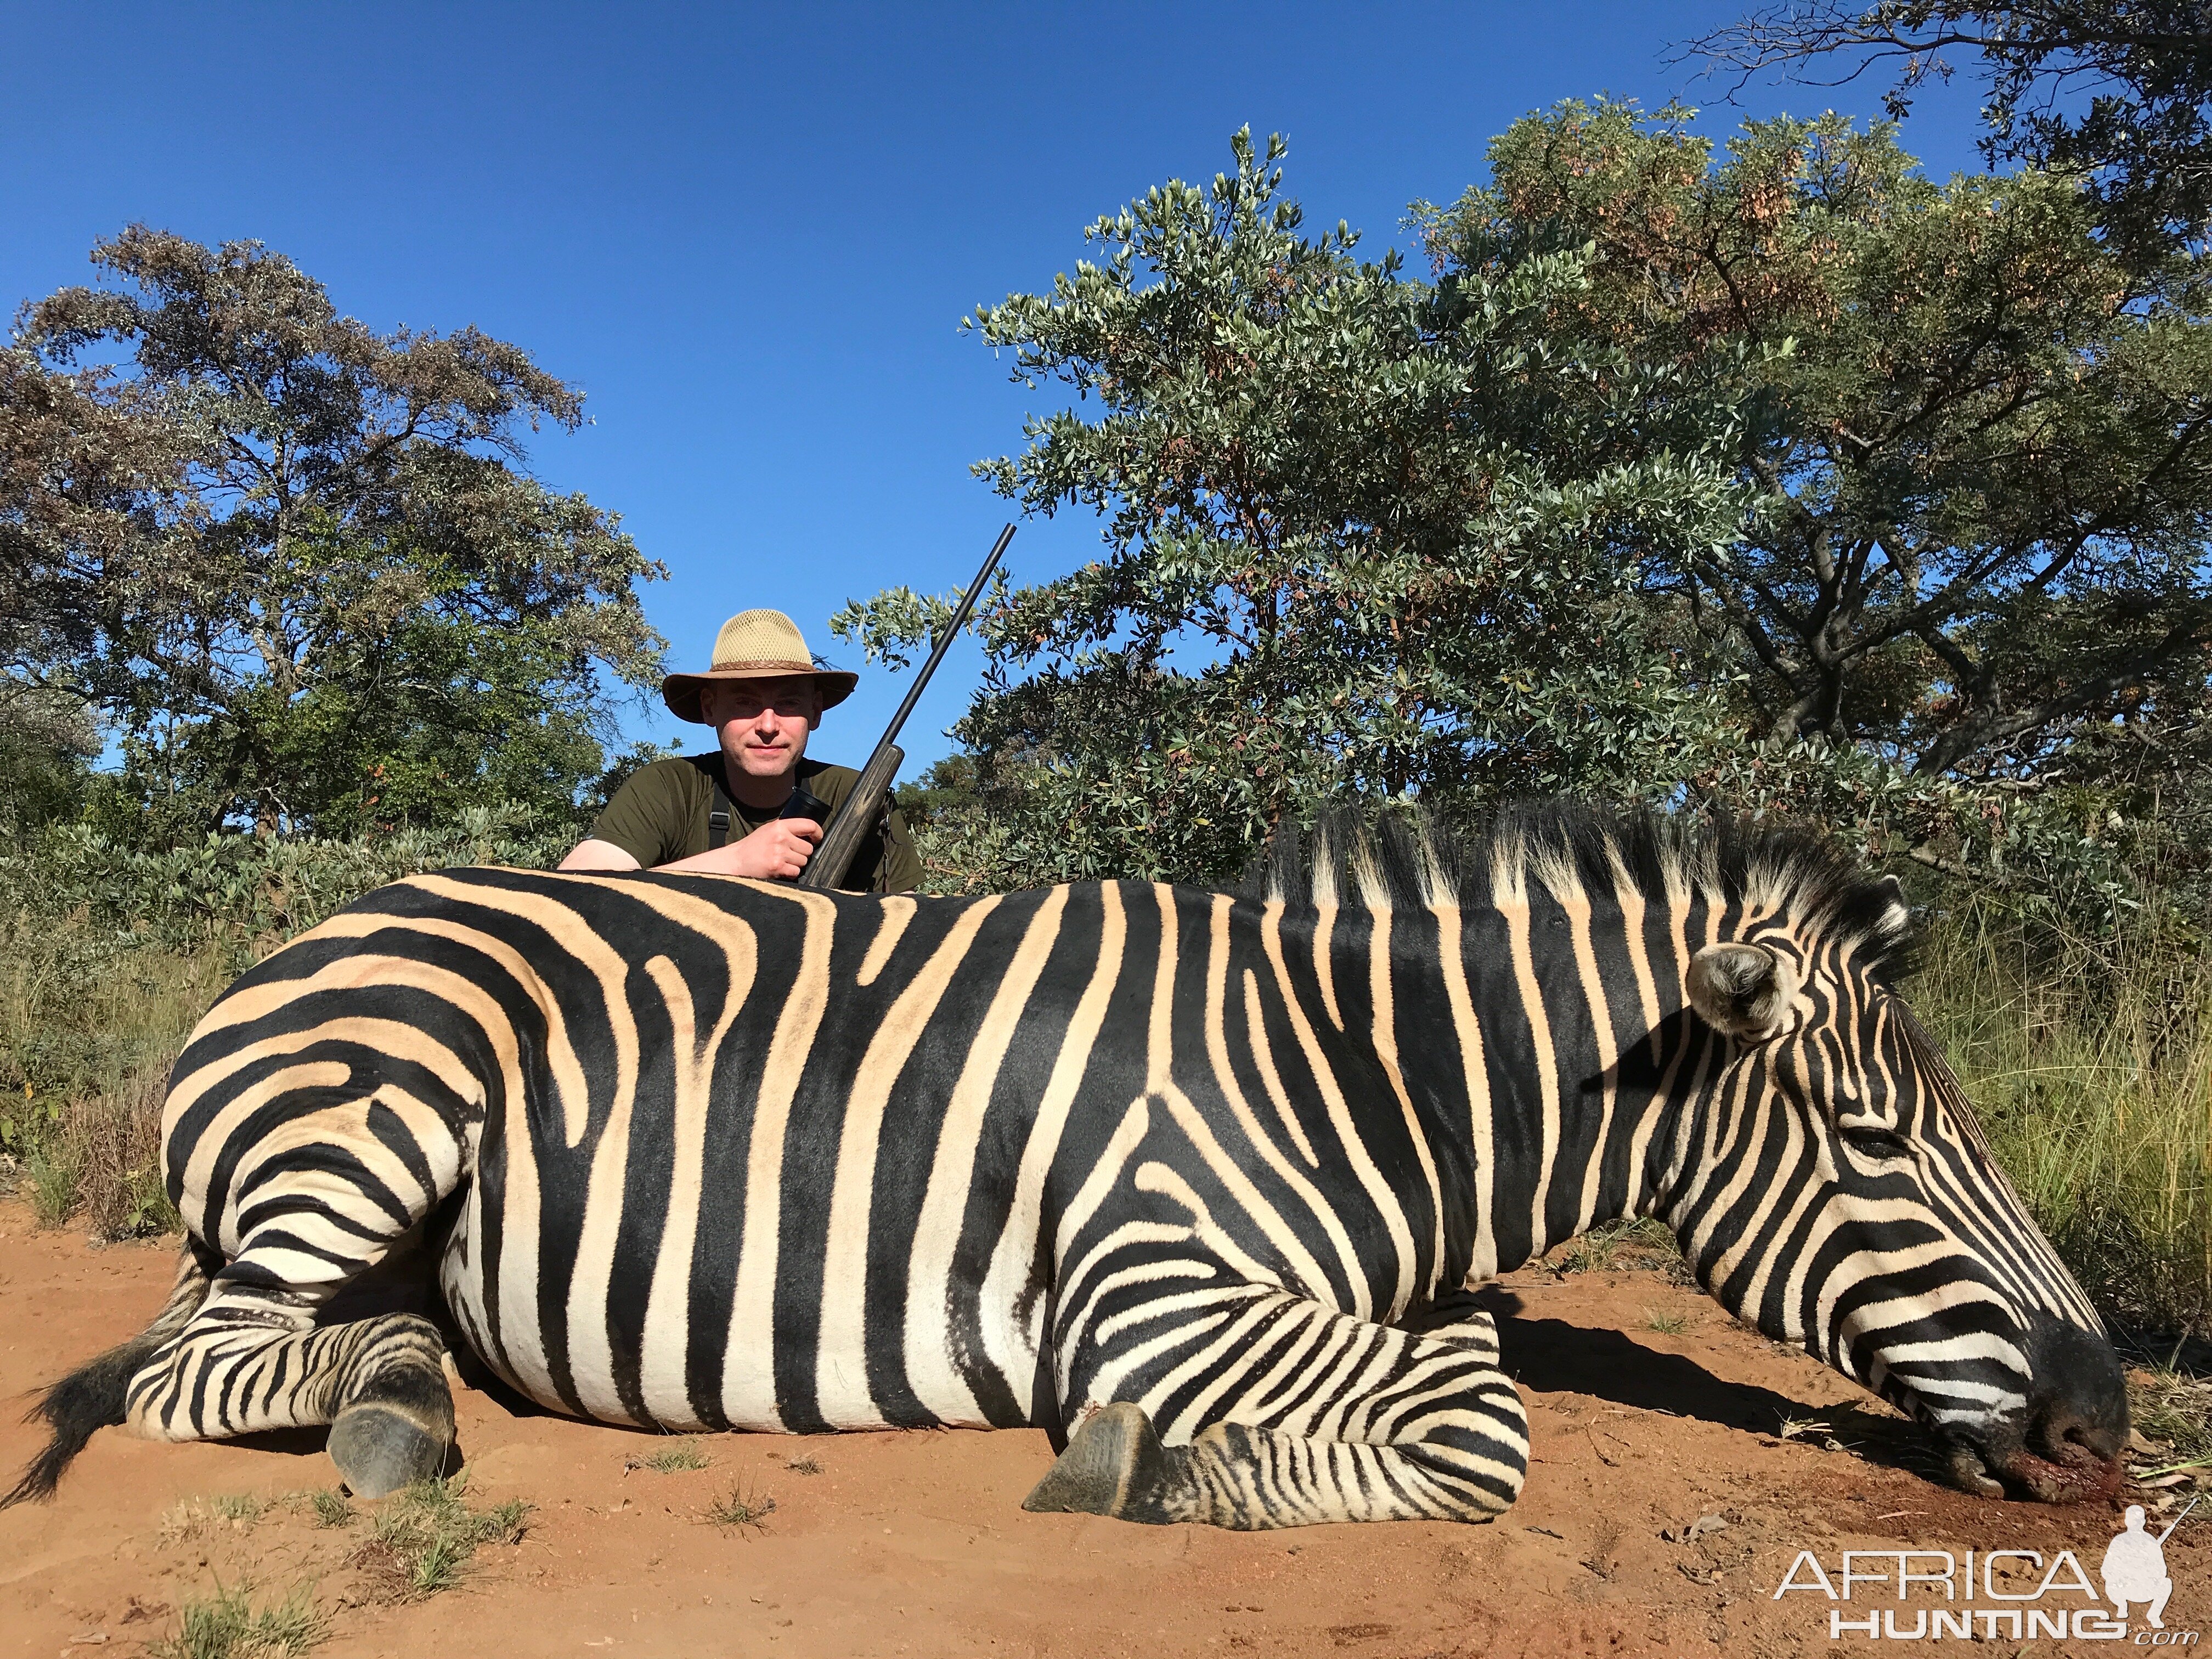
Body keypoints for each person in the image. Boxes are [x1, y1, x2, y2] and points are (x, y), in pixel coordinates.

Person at [561, 608, 922, 893]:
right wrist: (738, 862)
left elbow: (909, 928)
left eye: (788, 703)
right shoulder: (667, 788)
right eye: (746, 703)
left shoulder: (857, 797)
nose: (767, 726)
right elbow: (571, 890)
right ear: (709, 709)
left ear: (814, 712)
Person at [2101, 1504, 2174, 1628]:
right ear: (2126, 1521)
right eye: (2132, 1520)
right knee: (2110, 1583)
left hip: (2145, 1588)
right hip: (2124, 1588)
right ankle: (2122, 1606)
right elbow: (2106, 1568)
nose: (2135, 1523)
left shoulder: (2151, 1542)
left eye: (2138, 1520)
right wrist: (2122, 1574)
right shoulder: (2119, 1541)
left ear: (2144, 1522)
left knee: (2166, 1583)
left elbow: (2162, 1570)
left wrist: (2147, 1572)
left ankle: (2154, 1615)